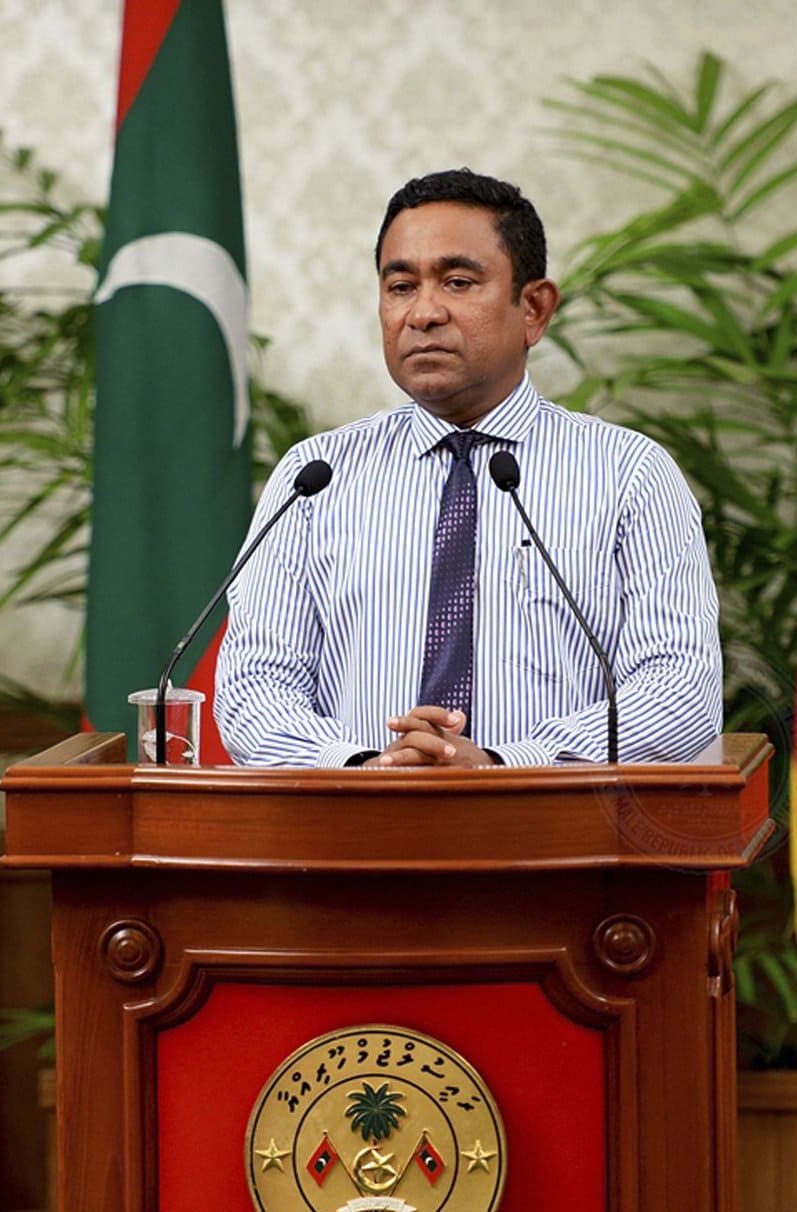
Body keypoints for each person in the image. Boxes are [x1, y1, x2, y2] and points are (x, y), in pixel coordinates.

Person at [216, 168, 722, 767]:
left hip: (559, 843)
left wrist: (504, 766)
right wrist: (365, 768)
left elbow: (680, 694)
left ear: (534, 308)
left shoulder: (630, 475)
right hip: (357, 840)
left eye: (457, 282)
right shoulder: (316, 477)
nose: (423, 313)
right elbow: (252, 689)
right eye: (400, 287)